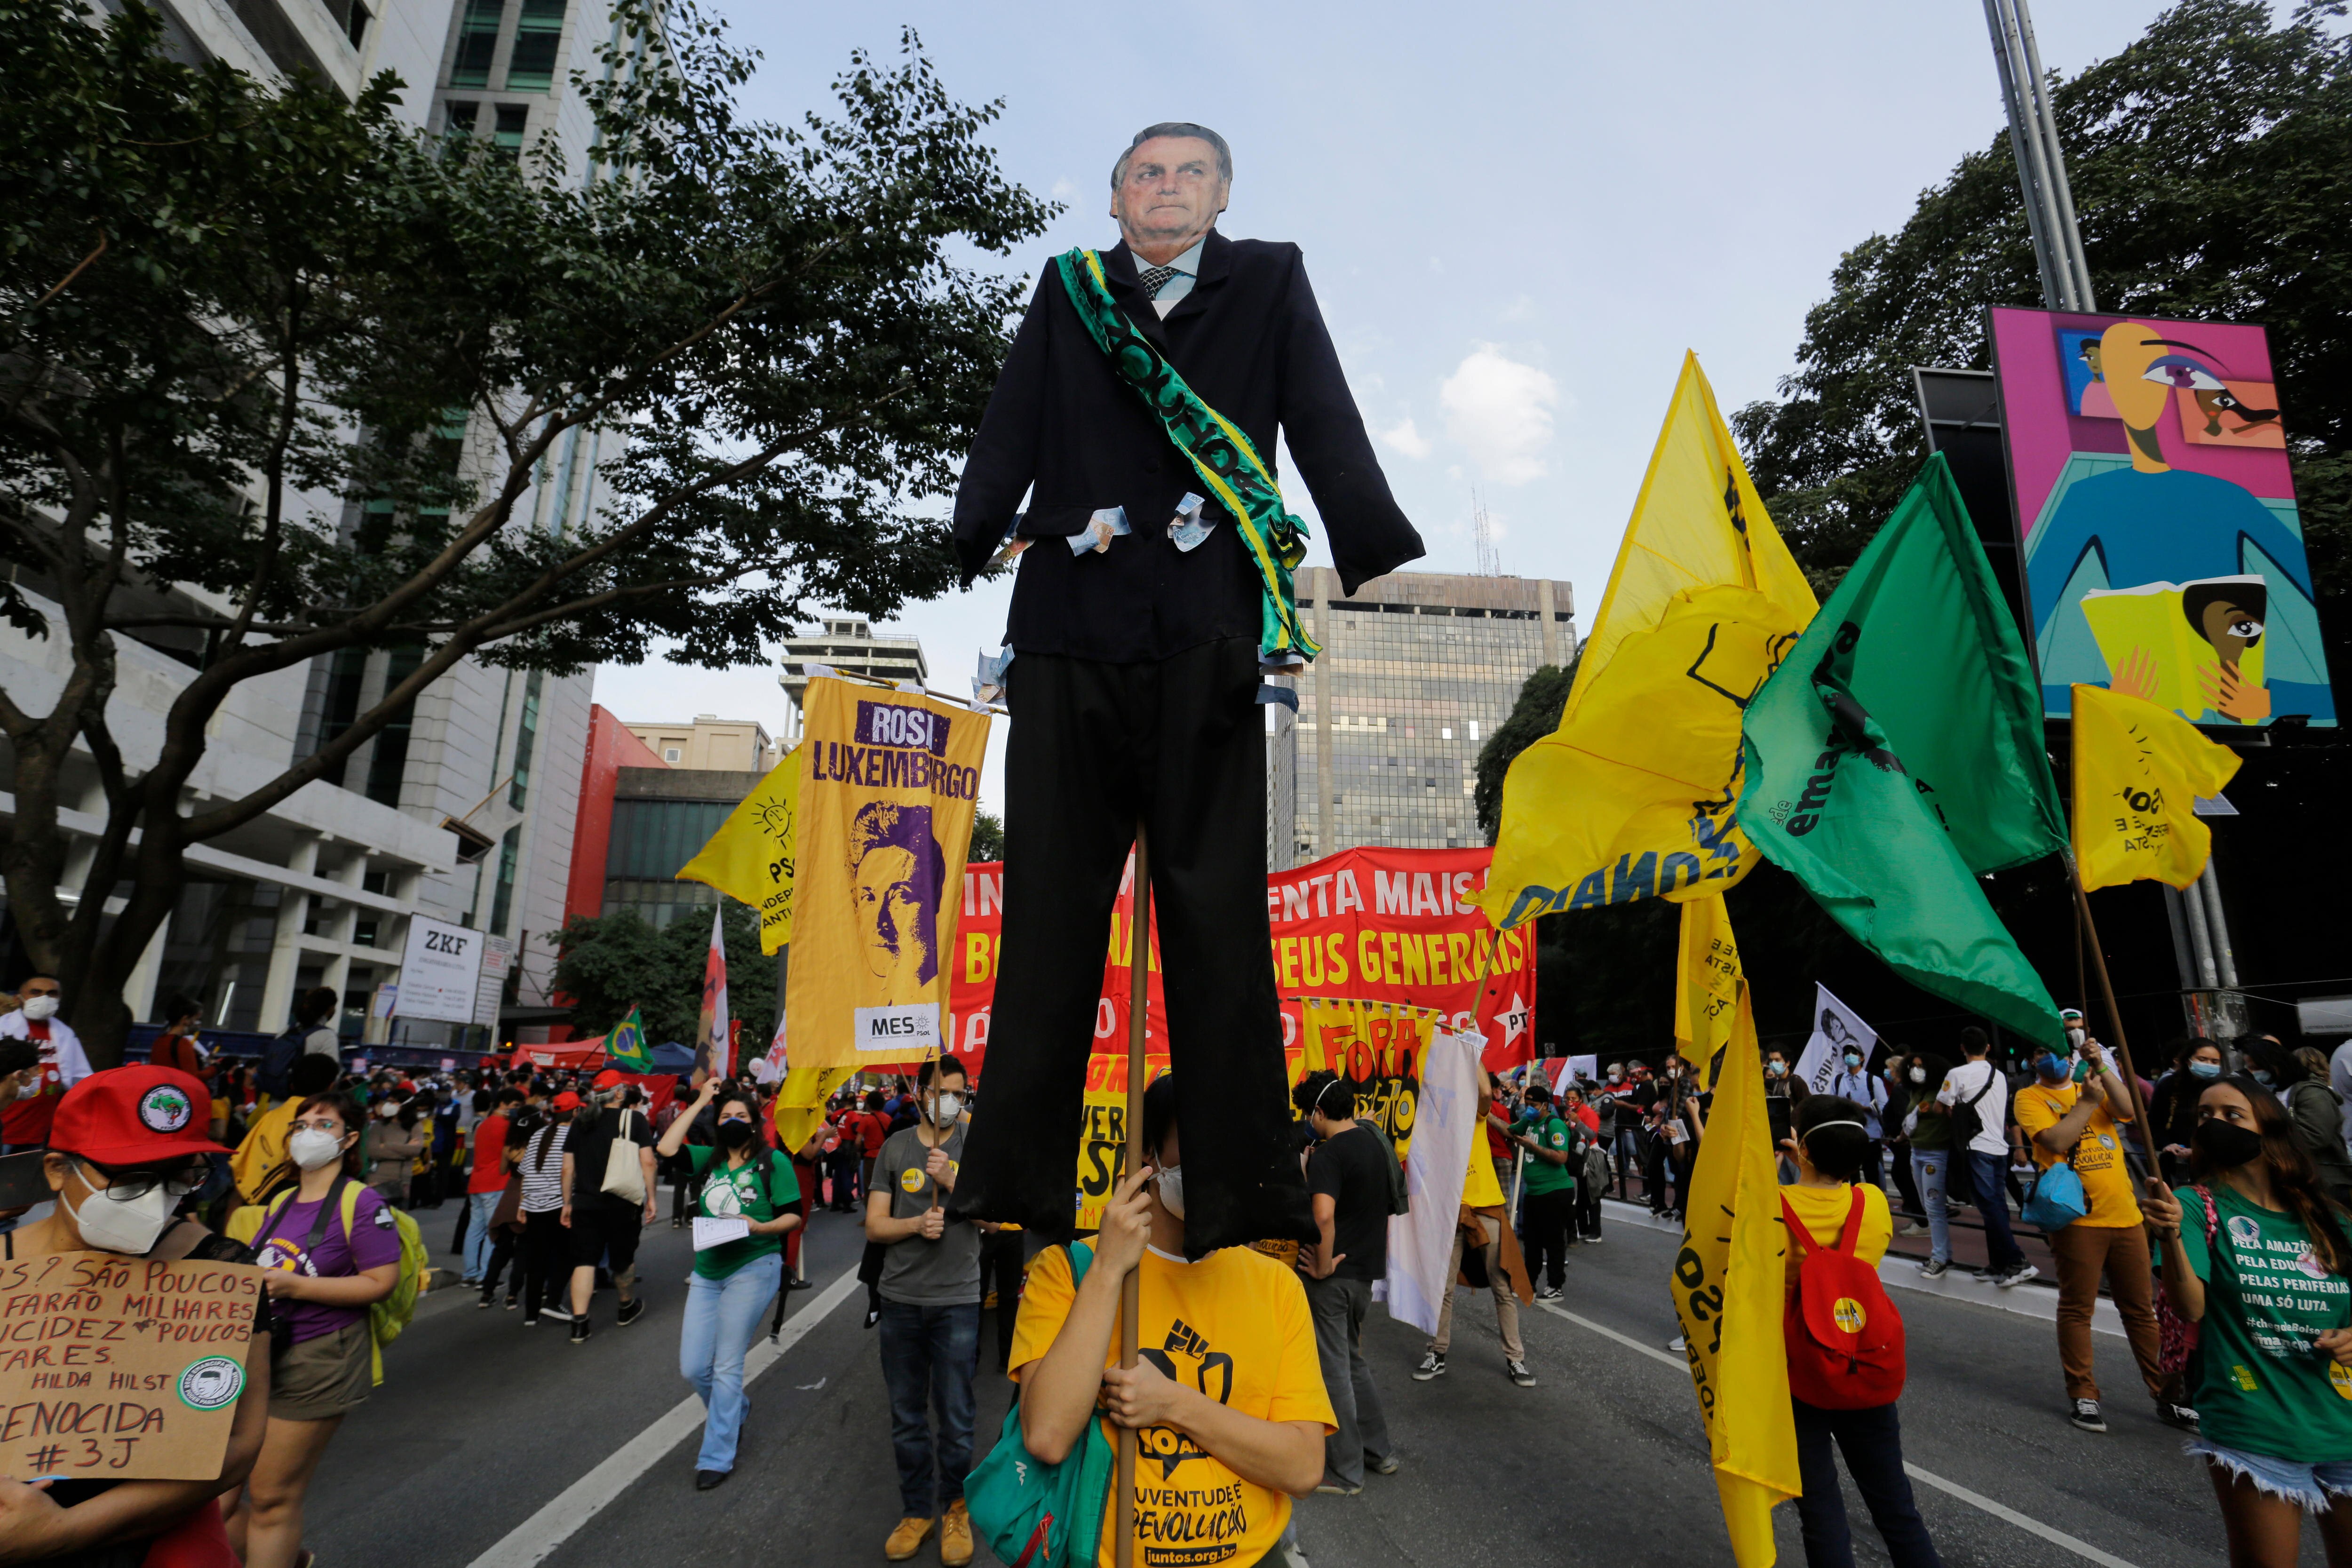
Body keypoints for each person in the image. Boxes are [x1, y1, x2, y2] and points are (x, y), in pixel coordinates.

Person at [948, 120, 1422, 1256]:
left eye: (1192, 174)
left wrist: (1363, 531)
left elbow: (1318, 406)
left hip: (1209, 625)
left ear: (1222, 195)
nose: (1169, 189)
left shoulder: (1270, 277)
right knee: (1052, 904)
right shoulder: (1070, 290)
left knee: (1218, 909)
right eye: (1147, 173)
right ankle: (1016, 1178)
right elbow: (1016, 412)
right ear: (1114, 197)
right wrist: (974, 529)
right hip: (1067, 624)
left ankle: (1247, 1188)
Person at [1011, 1072, 1331, 1567]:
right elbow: (1047, 1436)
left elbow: (1303, 1466)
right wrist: (1108, 1269)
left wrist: (1172, 1403)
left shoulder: (1276, 1286)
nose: (1217, 1161)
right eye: (1200, 1139)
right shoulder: (1067, 1273)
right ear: (1148, 1153)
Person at [6, 1066, 268, 1565]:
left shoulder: (220, 1268)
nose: (156, 1202)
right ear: (59, 1169)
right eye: (131, 1180)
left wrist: (65, 1530)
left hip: (151, 1535)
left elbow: (238, 1441)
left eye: (180, 1178)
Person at [2144, 1075, 2352, 1567]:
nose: (2214, 1123)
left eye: (2230, 1114)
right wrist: (2170, 1237)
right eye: (2203, 1115)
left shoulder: (2329, 1217)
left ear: (2270, 1127)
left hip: (2342, 1419)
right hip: (2253, 1423)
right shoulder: (2191, 1205)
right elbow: (2190, 1306)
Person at [231, 1087, 403, 1568]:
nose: (308, 1134)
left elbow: (380, 1284)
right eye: (301, 1125)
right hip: (262, 1354)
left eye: (323, 1125)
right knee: (218, 1499)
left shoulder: (362, 1203)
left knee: (270, 1496)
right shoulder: (282, 1200)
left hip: (318, 1356)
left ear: (349, 1140)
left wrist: (294, 1288)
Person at [1780, 1094, 1942, 1568]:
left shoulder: (1770, 1205)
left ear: (1801, 1148)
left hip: (1798, 1372)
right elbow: (1842, 1184)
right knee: (1895, 1507)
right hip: (1863, 1362)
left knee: (1820, 1509)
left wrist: (1791, 1169)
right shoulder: (1870, 1202)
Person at [2012, 1031, 2192, 1433]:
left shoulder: (2090, 1082)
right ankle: (2084, 1395)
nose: (2052, 1058)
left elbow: (2130, 1109)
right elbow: (2056, 1139)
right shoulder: (2030, 1098)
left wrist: (2100, 1066)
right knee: (2078, 1309)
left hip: (2127, 1216)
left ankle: (2167, 1394)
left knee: (2142, 1311)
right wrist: (2088, 1103)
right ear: (2031, 1061)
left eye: (2057, 1050)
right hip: (2077, 1220)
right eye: (2041, 1052)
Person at [657, 1077, 802, 1490]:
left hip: (755, 1264)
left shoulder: (774, 1162)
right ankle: (735, 1409)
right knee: (692, 1367)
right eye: (726, 1116)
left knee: (725, 1364)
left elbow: (793, 1215)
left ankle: (716, 1455)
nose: (734, 1121)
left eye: (742, 1115)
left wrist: (759, 1225)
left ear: (756, 1122)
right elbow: (666, 1148)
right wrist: (702, 1098)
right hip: (707, 1271)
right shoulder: (709, 1158)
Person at [866, 1055, 982, 1565]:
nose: (950, 1101)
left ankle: (955, 1507)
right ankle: (917, 1511)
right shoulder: (894, 1149)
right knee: (906, 1415)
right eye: (941, 1092)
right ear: (919, 1094)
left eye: (958, 1093)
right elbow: (874, 1225)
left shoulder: (974, 1148)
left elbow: (997, 1221)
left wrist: (956, 1182)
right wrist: (914, 1226)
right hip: (900, 1301)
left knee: (955, 1417)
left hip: (957, 1299)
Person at [1294, 1071, 1398, 1495]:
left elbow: (1322, 1215)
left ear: (1319, 1111)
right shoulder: (1376, 1141)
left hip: (1333, 1277)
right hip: (1365, 1273)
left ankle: (1346, 1470)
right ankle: (1379, 1451)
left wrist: (1320, 1265)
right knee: (1354, 1363)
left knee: (1333, 1369)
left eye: (1309, 1114)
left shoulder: (1329, 1154)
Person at [1416, 1068, 1535, 1387]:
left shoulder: (1476, 1114)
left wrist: (1473, 1055)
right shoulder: (1430, 1125)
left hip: (1486, 1207)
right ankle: (1436, 1352)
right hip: (1450, 1212)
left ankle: (1516, 1359)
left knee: (1502, 1286)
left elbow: (1485, 1093)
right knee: (1443, 1287)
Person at [559, 1070, 657, 1344]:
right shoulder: (634, 1119)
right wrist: (651, 1198)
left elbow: (568, 1169)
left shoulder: (580, 1123)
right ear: (618, 1094)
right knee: (622, 1257)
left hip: (585, 1202)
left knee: (585, 1260)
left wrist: (567, 1202)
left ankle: (580, 1324)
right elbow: (648, 1162)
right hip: (622, 1202)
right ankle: (626, 1308)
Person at [1936, 1027, 2036, 1288]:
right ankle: (1998, 1264)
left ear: (1962, 1048)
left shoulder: (1957, 1074)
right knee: (1997, 1206)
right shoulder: (1999, 1075)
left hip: (1976, 1147)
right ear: (1988, 1048)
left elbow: (1939, 1107)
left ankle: (2016, 1261)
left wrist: (1954, 1110)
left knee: (1989, 1207)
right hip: (1999, 1148)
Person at [2252, 1040, 2352, 1209]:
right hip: (2298, 1179)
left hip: (2324, 1181)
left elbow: (2316, 1136)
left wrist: (2266, 1142)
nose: (2252, 1073)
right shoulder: (2277, 1093)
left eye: (2256, 1067)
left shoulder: (2312, 1093)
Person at [0, 973, 93, 1151]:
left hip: (39, 1128)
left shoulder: (65, 1033)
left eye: (52, 993)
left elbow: (82, 1078)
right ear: (18, 998)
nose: (44, 998)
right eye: (36, 992)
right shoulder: (2, 1027)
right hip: (6, 1125)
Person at [1514, 1081, 1578, 1301]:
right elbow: (1509, 1130)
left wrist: (1533, 1147)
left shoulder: (1554, 1124)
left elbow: (1562, 1157)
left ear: (1545, 1105)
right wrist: (1484, 1113)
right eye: (1527, 1102)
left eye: (1533, 1104)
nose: (1529, 1107)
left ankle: (1555, 1286)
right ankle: (1528, 1283)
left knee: (1553, 1241)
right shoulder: (1528, 1122)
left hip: (1555, 1192)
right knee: (1531, 1242)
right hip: (1533, 1193)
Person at [517, 1092, 576, 1325]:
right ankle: (553, 1300)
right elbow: (568, 1172)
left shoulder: (539, 1134)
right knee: (567, 1254)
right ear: (576, 1112)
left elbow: (526, 1171)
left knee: (536, 1259)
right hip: (558, 1204)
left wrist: (522, 1204)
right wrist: (568, 1203)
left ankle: (531, 1314)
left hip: (534, 1204)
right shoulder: (575, 1135)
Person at [1899, 1051, 1957, 1276]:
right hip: (1917, 1152)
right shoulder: (1916, 1091)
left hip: (1937, 1154)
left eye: (1921, 1066)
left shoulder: (1944, 1091)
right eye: (1913, 1066)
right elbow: (1911, 1119)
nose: (1916, 1070)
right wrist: (1902, 1137)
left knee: (1934, 1208)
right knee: (1928, 1206)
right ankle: (1944, 1255)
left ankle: (1940, 1258)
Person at [463, 1087, 520, 1289]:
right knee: (493, 1230)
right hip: (495, 1182)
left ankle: (470, 1273)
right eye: (514, 1106)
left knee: (475, 1229)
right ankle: (486, 1275)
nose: (516, 1110)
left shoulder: (483, 1124)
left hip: (477, 1182)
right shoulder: (505, 1126)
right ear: (503, 1104)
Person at [2152, 1038, 2225, 1186]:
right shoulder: (2168, 1085)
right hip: (2175, 1164)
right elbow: (2155, 1122)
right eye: (2202, 1059)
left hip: (2215, 1164)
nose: (2208, 1065)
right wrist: (2167, 1145)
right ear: (2188, 1060)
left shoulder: (2223, 1088)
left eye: (2214, 1062)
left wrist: (2198, 1151)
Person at [1826, 1039, 1890, 1192]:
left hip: (1870, 1135)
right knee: (1849, 1175)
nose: (1850, 1056)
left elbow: (1884, 1109)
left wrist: (1865, 1109)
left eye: (1854, 1053)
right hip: (1847, 1135)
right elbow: (1832, 1105)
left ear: (1862, 1058)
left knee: (1871, 1174)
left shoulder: (1873, 1080)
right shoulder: (1838, 1080)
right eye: (1847, 1053)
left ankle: (1874, 1204)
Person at [363, 1087, 424, 1205]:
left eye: (393, 1102)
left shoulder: (415, 1126)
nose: (388, 1105)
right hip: (377, 1179)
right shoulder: (379, 1126)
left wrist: (386, 1145)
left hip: (403, 1180)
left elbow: (416, 1150)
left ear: (405, 1105)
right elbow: (372, 1151)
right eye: (388, 1102)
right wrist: (405, 1148)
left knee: (400, 1219)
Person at [147, 992, 206, 1075]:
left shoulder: (159, 1041)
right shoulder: (182, 1044)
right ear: (185, 1019)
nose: (198, 1024)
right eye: (196, 1019)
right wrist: (215, 1068)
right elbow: (193, 1076)